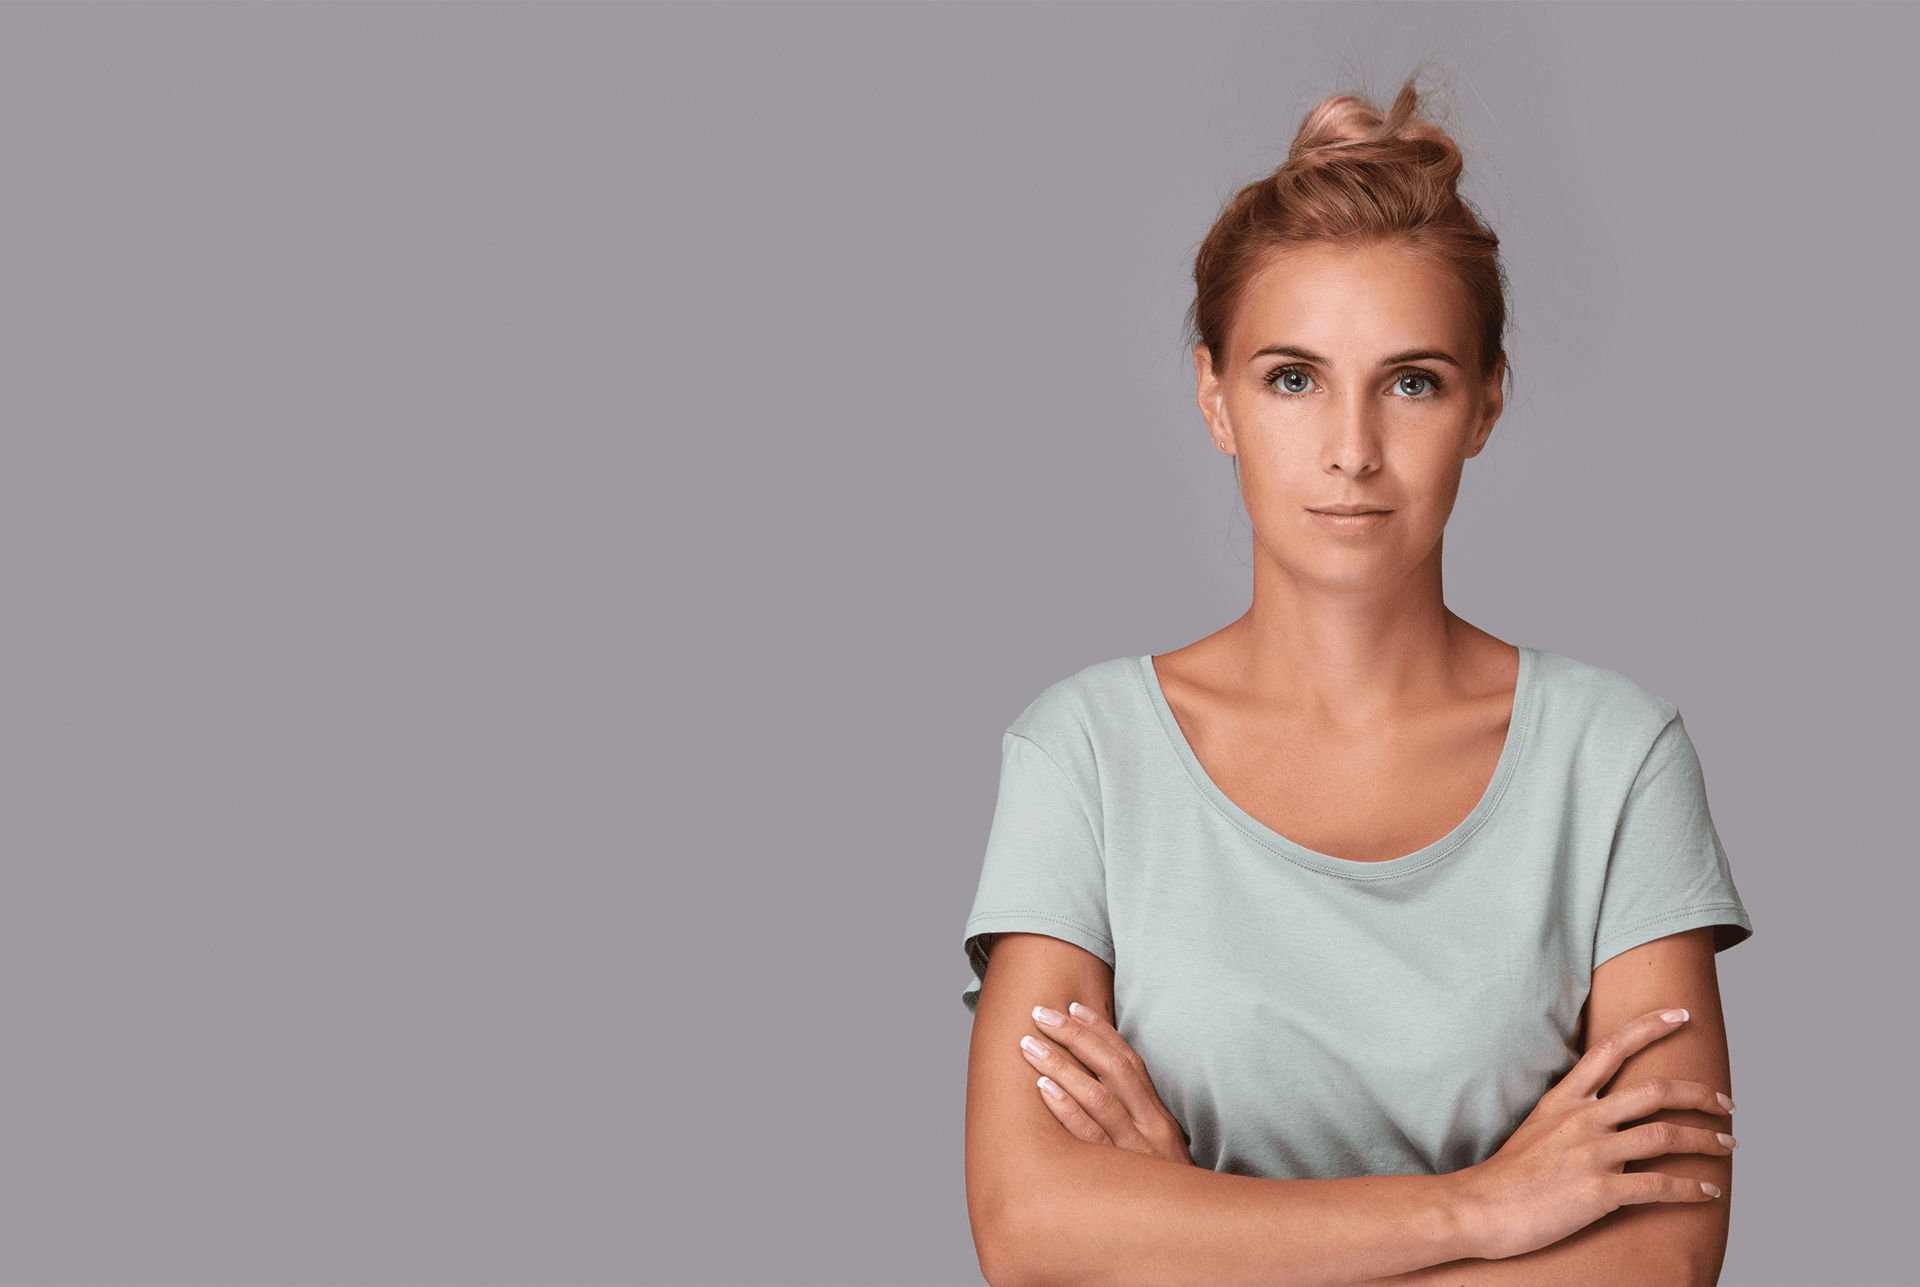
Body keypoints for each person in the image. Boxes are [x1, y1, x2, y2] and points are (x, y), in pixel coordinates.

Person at [960, 75, 1753, 1287]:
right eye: (1293, 378)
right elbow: (1026, 1228)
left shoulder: (1616, 757)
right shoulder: (1083, 756)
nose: (1351, 449)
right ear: (1212, 395)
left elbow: (1661, 1260)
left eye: (1412, 380)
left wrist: (1186, 1228)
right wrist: (1479, 1211)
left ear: (1487, 401)